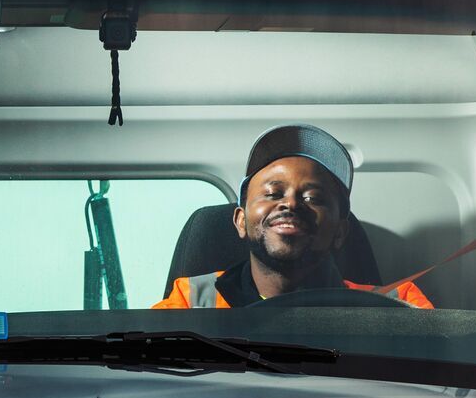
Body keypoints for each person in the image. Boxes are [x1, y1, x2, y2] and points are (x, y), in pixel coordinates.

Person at [153, 123, 432, 309]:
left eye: (313, 198)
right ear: (240, 221)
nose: (291, 203)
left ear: (339, 232)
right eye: (273, 193)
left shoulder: (398, 304)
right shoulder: (191, 302)